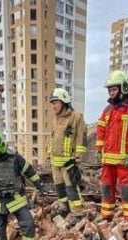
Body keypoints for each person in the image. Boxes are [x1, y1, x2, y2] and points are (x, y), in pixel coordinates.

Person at [95, 70, 128, 221]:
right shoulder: (107, 110)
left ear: (124, 88)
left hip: (125, 159)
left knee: (127, 188)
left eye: (114, 89)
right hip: (108, 159)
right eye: (110, 90)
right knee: (106, 187)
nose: (111, 93)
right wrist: (98, 150)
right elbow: (101, 130)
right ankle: (106, 215)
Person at [47, 87, 88, 224]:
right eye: (52, 103)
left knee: (71, 188)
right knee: (59, 187)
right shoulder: (56, 119)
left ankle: (77, 212)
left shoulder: (76, 117)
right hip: (55, 162)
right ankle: (64, 207)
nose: (53, 106)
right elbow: (53, 138)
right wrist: (49, 154)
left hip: (68, 162)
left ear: (64, 102)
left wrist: (77, 158)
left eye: (55, 103)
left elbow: (81, 138)